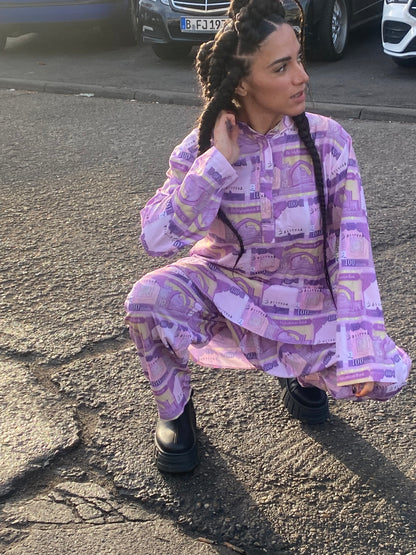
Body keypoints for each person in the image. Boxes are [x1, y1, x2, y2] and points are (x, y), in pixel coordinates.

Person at [125, 0, 411, 474]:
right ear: (242, 83)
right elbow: (156, 237)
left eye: (299, 59)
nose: (302, 76)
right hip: (226, 289)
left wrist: (362, 349)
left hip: (305, 301)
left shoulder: (329, 143)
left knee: (378, 380)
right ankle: (175, 411)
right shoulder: (201, 147)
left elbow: (352, 251)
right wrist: (215, 164)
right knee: (148, 301)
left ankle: (302, 376)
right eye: (282, 66)